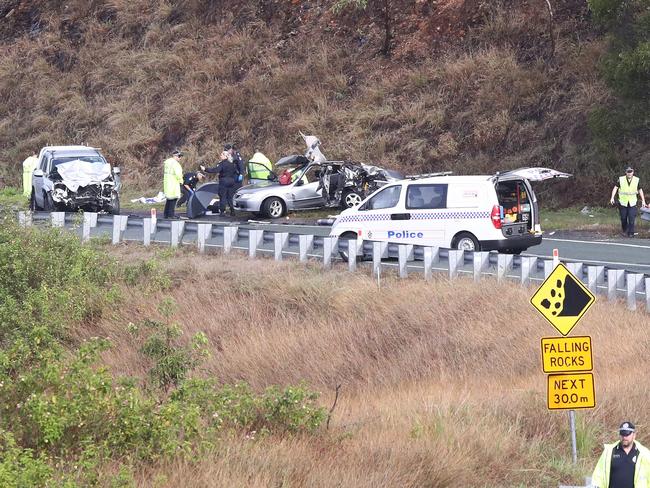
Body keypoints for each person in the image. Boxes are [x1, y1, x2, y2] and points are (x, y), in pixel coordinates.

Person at [592, 421, 650, 488]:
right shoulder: (609, 452)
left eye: (627, 434)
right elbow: (598, 475)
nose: (624, 437)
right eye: (622, 434)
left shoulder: (644, 453)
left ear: (634, 435)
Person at [610, 167, 647, 237]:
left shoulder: (636, 180)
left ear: (633, 172)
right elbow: (615, 188)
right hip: (623, 202)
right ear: (626, 172)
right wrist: (612, 197)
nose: (629, 173)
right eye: (628, 172)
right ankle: (625, 231)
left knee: (631, 218)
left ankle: (631, 233)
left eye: (631, 172)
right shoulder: (621, 179)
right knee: (623, 218)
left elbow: (640, 190)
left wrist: (643, 201)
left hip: (632, 202)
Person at [204, 150, 238, 216]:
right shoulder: (232, 163)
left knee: (223, 196)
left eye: (221, 155)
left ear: (225, 156)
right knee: (230, 197)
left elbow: (215, 170)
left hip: (224, 180)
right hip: (231, 180)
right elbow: (235, 172)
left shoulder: (222, 163)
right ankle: (232, 210)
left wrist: (206, 169)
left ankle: (222, 212)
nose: (220, 156)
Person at [163, 150, 184, 219]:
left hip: (167, 183)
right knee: (173, 199)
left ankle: (166, 214)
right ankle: (171, 215)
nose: (180, 158)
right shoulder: (175, 164)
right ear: (175, 156)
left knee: (169, 199)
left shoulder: (167, 162)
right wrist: (181, 181)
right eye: (179, 156)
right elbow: (178, 174)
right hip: (173, 183)